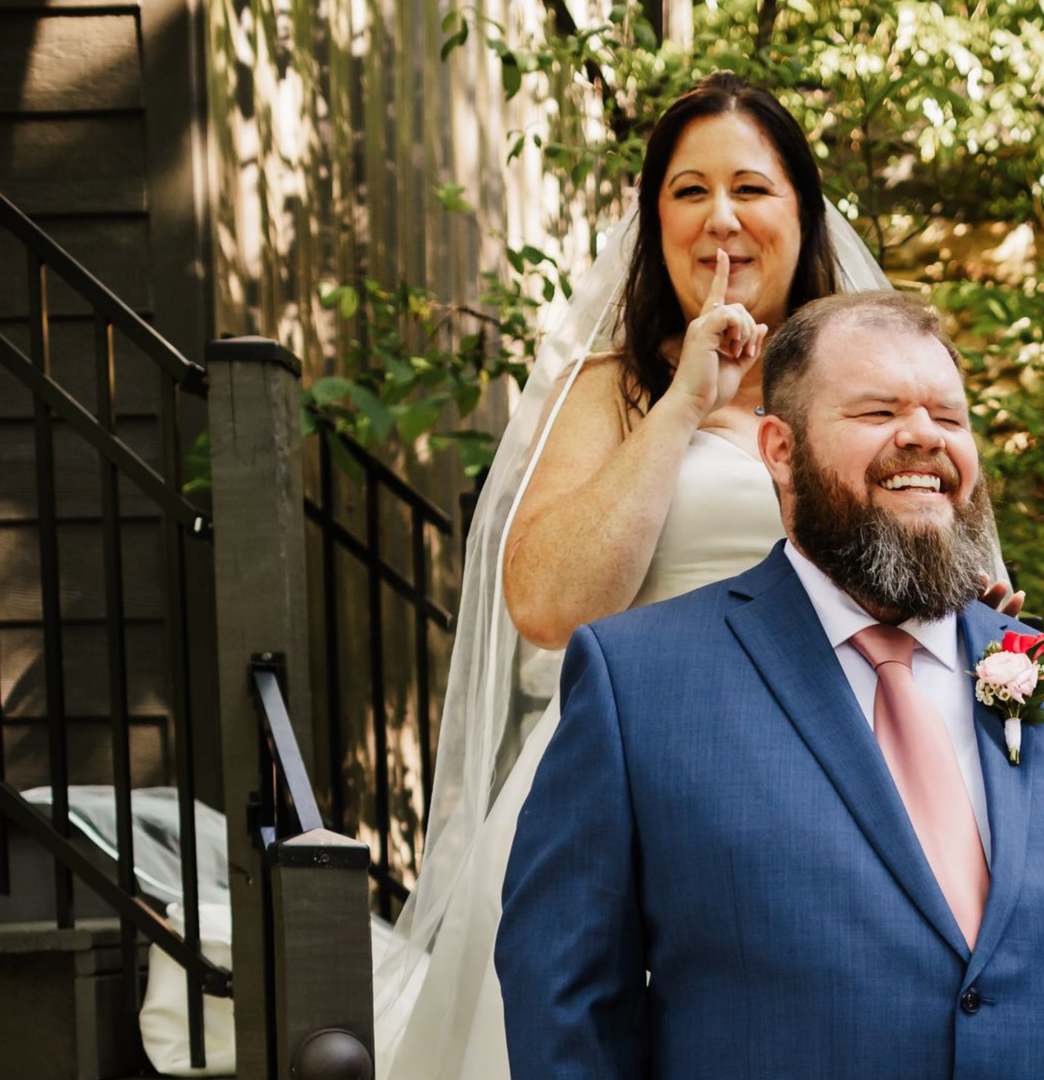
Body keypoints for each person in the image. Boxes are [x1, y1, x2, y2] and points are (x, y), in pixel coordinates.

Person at [373, 74, 979, 1080]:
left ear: (803, 212)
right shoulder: (608, 392)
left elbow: (935, 566)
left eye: (752, 187)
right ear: (655, 223)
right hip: (626, 787)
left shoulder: (882, 395)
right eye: (688, 192)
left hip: (856, 772)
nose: (721, 218)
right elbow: (548, 605)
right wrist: (688, 399)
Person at [499, 291, 1044, 1080]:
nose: (922, 436)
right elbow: (566, 1003)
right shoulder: (638, 684)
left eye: (949, 416)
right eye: (878, 411)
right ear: (779, 449)